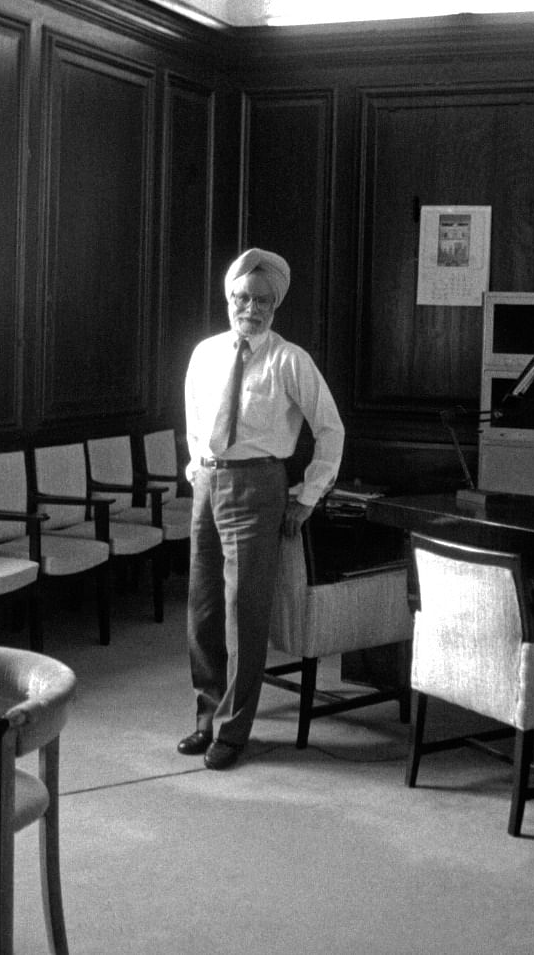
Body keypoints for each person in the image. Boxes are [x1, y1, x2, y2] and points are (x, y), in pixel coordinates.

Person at [177, 248, 345, 770]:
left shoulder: (290, 360)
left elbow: (331, 430)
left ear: (275, 306)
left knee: (242, 615)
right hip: (208, 484)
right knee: (203, 609)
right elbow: (195, 417)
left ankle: (233, 729)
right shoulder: (204, 353)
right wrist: (196, 466)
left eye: (262, 301)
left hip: (259, 489)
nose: (250, 308)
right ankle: (206, 717)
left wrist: (308, 494)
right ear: (229, 298)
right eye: (242, 298)